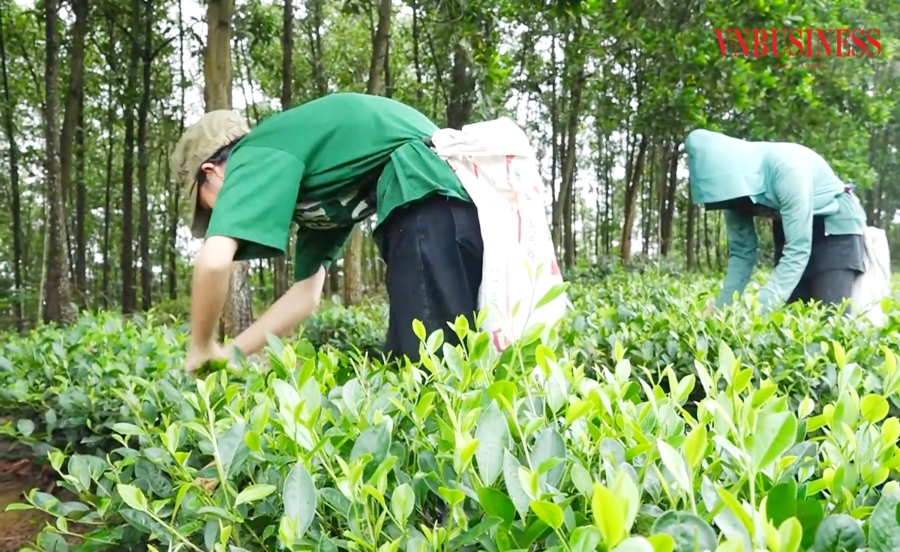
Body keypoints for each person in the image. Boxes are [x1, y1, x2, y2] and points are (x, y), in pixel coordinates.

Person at [170, 93, 484, 372]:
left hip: (428, 194)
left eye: (206, 205)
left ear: (212, 172)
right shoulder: (310, 190)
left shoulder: (252, 154)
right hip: (439, 207)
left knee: (430, 363)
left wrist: (201, 347)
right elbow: (304, 296)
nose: (215, 216)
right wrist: (232, 353)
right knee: (410, 358)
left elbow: (213, 262)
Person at [684, 128, 867, 313]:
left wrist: (757, 311)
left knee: (829, 316)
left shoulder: (786, 168)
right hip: (790, 228)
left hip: (834, 229)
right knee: (794, 316)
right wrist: (721, 307)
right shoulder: (730, 193)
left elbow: (798, 249)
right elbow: (741, 252)